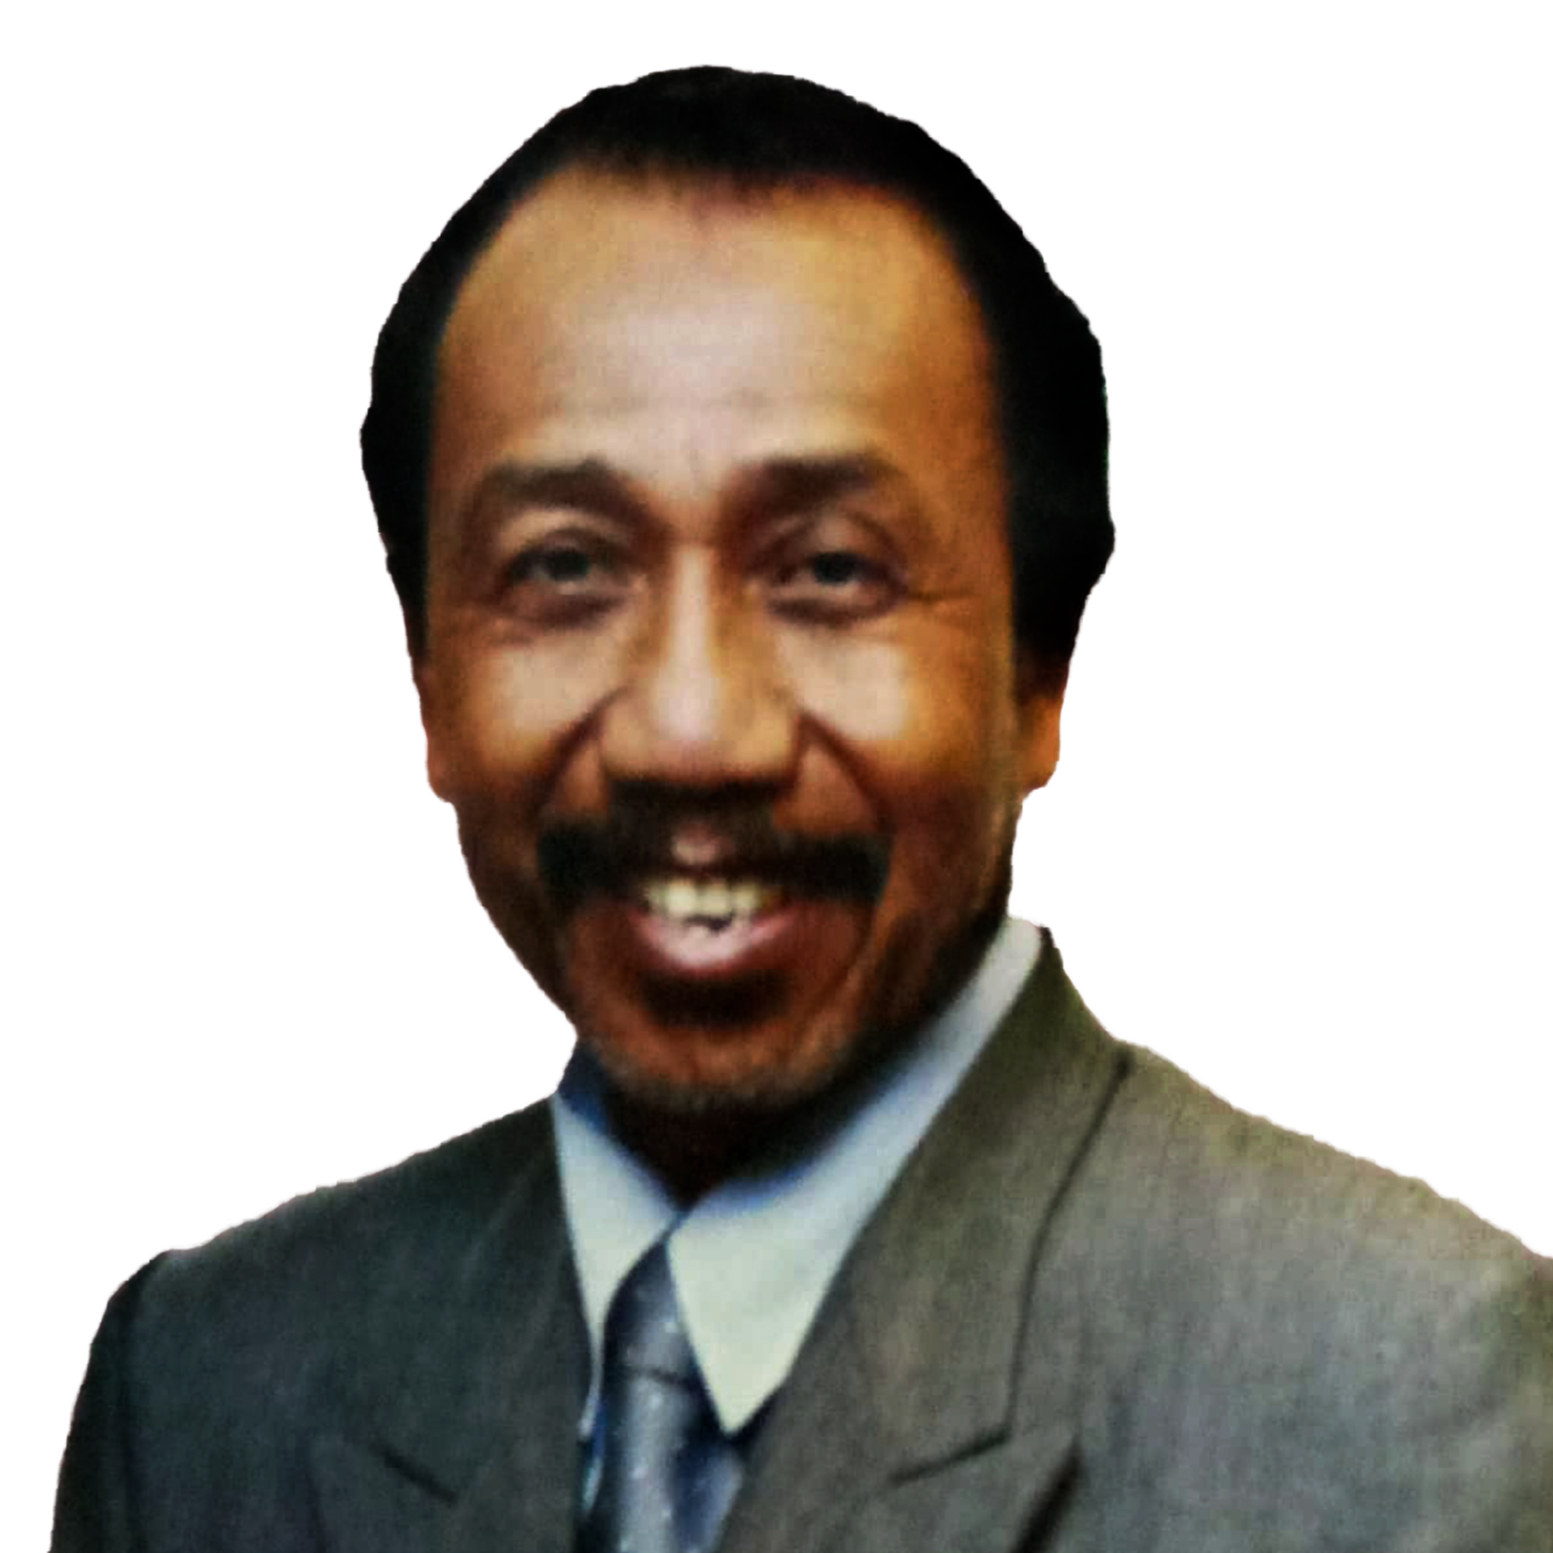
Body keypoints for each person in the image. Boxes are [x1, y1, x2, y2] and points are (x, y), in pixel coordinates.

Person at [51, 66, 1549, 1553]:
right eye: (564, 567)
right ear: (426, 675)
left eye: (831, 570)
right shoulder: (207, 1381)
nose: (692, 732)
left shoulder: (1413, 1393)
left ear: (1045, 673)